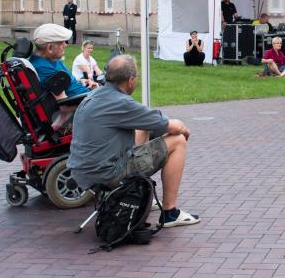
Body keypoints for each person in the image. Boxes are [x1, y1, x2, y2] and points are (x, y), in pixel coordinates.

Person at [68, 54, 200, 227]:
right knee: (178, 141)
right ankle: (170, 213)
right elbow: (173, 127)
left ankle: (138, 194)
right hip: (107, 174)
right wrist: (183, 128)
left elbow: (150, 121)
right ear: (130, 80)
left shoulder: (92, 97)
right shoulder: (121, 102)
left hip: (81, 172)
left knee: (143, 126)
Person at [29, 23, 89, 98]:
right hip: (84, 103)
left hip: (86, 94)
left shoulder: (51, 59)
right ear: (50, 48)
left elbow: (67, 83)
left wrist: (81, 82)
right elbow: (63, 106)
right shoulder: (44, 68)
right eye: (62, 42)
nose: (65, 45)